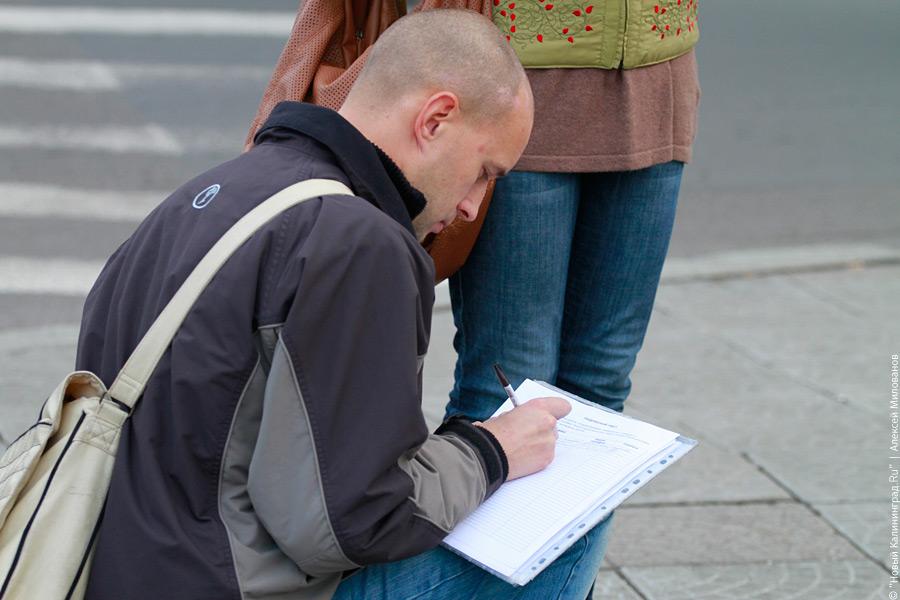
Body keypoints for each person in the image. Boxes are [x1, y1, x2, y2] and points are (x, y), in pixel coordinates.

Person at [74, 10, 592, 600]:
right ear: (437, 118)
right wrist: (491, 450)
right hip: (220, 579)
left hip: (119, 560)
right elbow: (349, 524)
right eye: (483, 172)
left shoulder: (217, 189)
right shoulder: (358, 241)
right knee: (563, 538)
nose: (475, 205)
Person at [444, 1, 703, 597]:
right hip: (516, 64)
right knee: (507, 385)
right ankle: (467, 588)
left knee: (601, 391)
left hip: (656, 64)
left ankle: (562, 588)